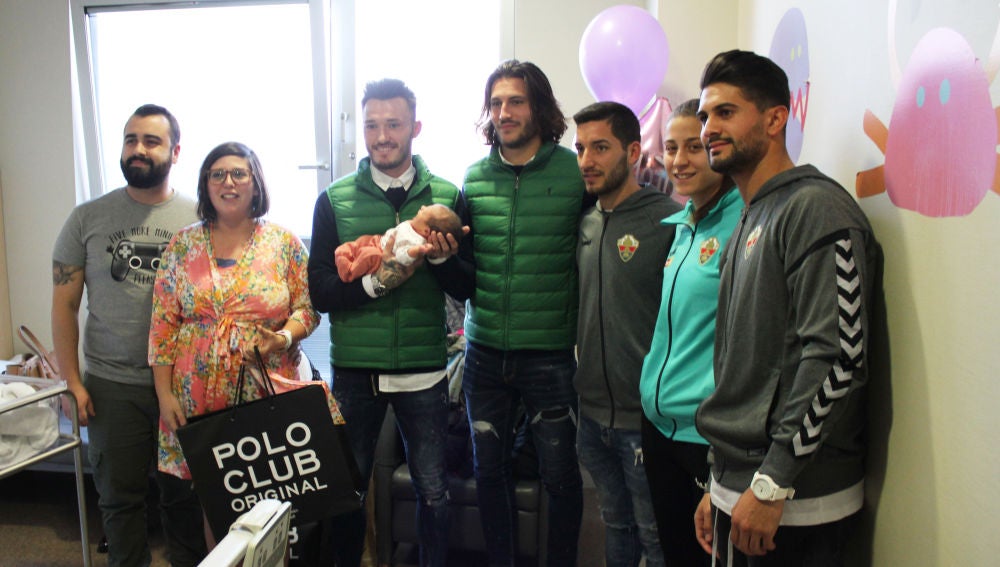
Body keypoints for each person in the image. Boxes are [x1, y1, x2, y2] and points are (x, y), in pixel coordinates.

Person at [692, 50, 883, 565]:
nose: (708, 127)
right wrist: (719, 480)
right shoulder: (750, 215)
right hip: (742, 486)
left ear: (776, 119)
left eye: (726, 113)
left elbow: (839, 357)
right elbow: (742, 370)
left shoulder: (816, 208)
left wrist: (774, 481)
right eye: (706, 115)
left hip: (797, 503)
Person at [307, 78, 472, 567]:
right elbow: (320, 293)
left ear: (414, 127)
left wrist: (441, 261)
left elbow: (467, 287)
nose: (382, 136)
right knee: (347, 492)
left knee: (434, 493)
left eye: (393, 124)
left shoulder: (446, 195)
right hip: (356, 372)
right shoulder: (333, 200)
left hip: (424, 371)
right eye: (372, 125)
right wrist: (374, 284)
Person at [51, 104, 206, 567]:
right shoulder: (87, 218)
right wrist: (71, 382)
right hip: (111, 384)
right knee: (119, 503)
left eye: (151, 141)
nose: (138, 149)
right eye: (130, 139)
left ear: (175, 151)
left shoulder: (200, 218)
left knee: (184, 499)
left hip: (183, 386)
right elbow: (64, 305)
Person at [149, 141, 319, 533]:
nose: (228, 182)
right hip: (197, 392)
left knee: (273, 498)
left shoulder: (284, 243)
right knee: (217, 497)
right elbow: (162, 325)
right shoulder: (183, 245)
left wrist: (283, 338)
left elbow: (308, 310)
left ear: (255, 184)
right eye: (217, 174)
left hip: (267, 390)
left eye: (239, 173)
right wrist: (165, 394)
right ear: (206, 185)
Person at [461, 59, 589, 567]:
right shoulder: (474, 177)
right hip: (484, 352)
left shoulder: (574, 171)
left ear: (538, 106)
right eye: (495, 103)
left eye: (515, 101)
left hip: (550, 357)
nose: (504, 112)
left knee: (559, 476)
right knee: (486, 472)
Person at [573, 101, 680, 567]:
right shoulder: (586, 222)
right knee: (615, 526)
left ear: (633, 151)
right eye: (580, 149)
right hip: (592, 418)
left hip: (646, 422)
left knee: (656, 539)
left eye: (600, 147)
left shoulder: (669, 222)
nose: (587, 161)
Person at [638, 98, 743, 566]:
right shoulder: (682, 225)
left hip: (706, 436)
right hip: (661, 427)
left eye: (693, 148)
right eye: (670, 148)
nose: (678, 161)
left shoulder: (745, 220)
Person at [335, 203, 463, 282]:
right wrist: (377, 287)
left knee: (368, 255)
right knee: (362, 241)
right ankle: (344, 253)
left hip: (380, 255)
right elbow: (322, 296)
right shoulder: (414, 225)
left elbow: (402, 257)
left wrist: (414, 253)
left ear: (426, 231)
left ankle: (349, 272)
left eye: (425, 211)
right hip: (379, 240)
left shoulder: (415, 242)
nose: (422, 207)